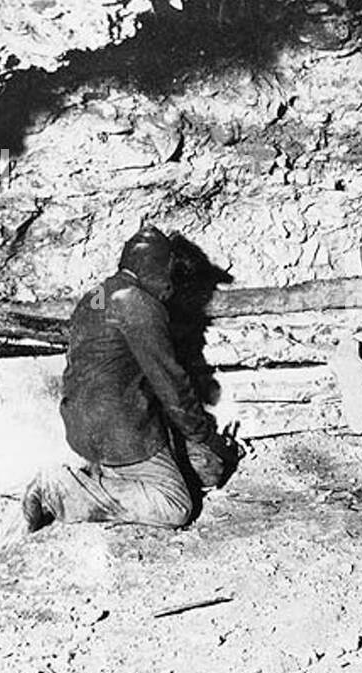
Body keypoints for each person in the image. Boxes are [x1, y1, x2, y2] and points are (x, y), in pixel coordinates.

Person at [21, 226, 238, 531]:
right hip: (120, 427)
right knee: (175, 505)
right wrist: (205, 435)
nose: (171, 287)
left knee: (206, 469)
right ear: (153, 270)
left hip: (82, 424)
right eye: (169, 275)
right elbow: (170, 383)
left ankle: (108, 475)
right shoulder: (137, 303)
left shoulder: (96, 296)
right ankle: (61, 494)